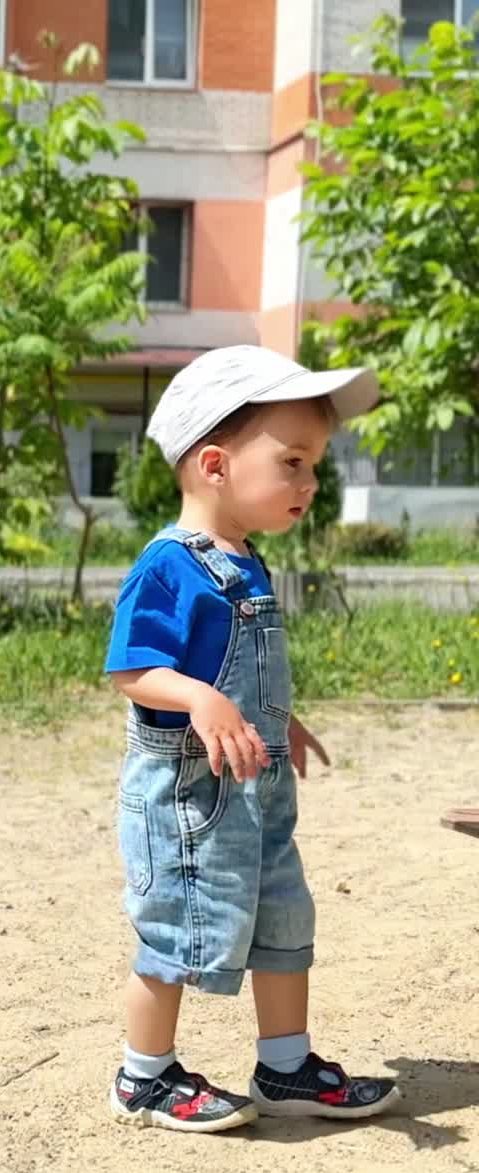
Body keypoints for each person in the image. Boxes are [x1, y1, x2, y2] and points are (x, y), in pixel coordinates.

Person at [105, 344, 401, 1132]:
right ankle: (145, 1076)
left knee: (283, 921)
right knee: (174, 928)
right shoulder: (168, 566)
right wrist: (200, 699)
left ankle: (286, 1066)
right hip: (187, 799)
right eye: (294, 462)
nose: (310, 483)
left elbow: (246, 670)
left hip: (257, 788)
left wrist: (277, 719)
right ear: (214, 465)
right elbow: (132, 669)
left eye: (315, 466)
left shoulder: (247, 561)